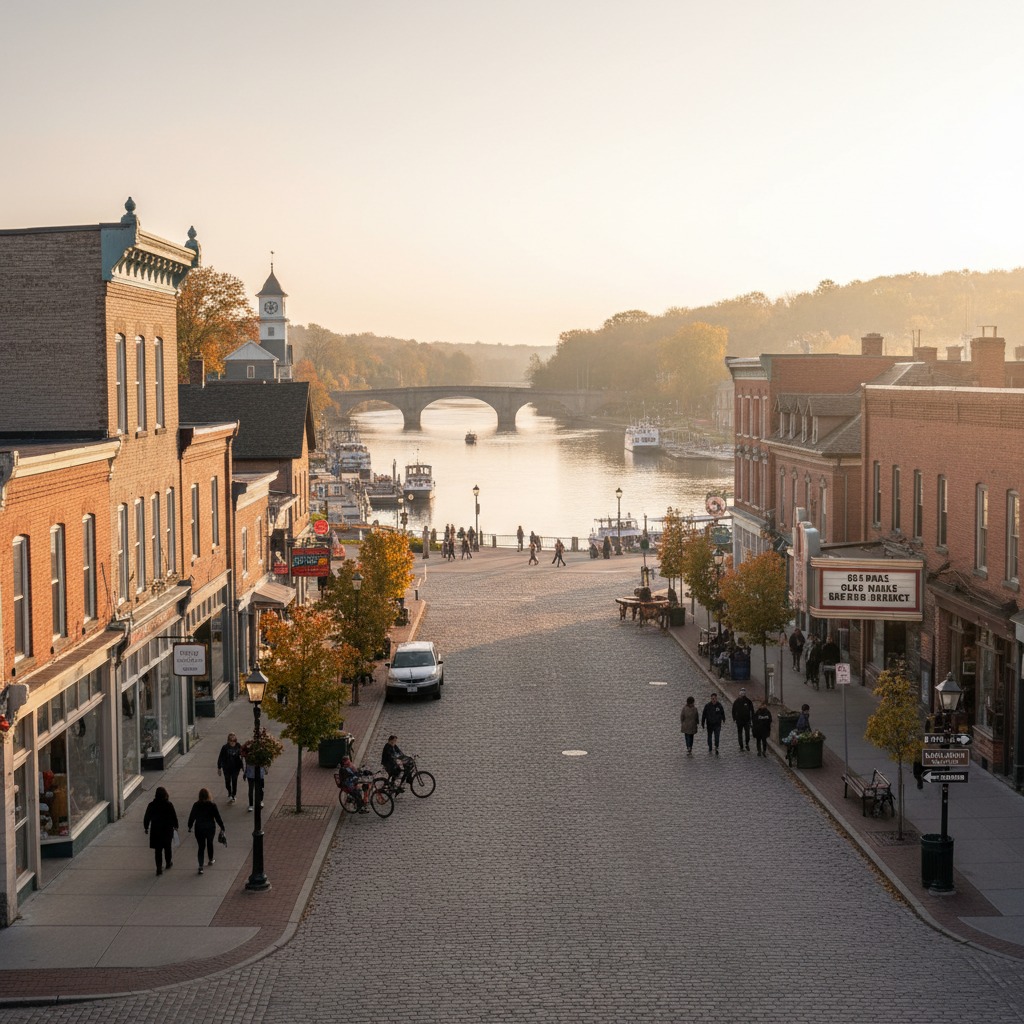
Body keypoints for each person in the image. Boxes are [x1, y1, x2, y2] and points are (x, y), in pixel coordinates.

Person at [187, 788, 225, 874]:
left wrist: (189, 826)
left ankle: (200, 866)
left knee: (201, 846)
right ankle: (211, 859)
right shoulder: (212, 805)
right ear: (208, 795)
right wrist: (222, 827)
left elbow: (192, 816)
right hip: (210, 827)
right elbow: (217, 817)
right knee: (210, 843)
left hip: (199, 828)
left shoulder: (196, 805)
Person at [143, 786, 178, 876]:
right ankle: (168, 863)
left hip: (156, 830)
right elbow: (174, 816)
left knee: (158, 850)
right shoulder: (169, 804)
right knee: (167, 847)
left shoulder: (152, 805)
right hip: (167, 830)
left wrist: (146, 827)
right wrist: (176, 826)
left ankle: (159, 868)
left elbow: (147, 817)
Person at [216, 732, 244, 804]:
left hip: (236, 767)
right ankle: (229, 792)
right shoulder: (225, 747)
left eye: (234, 740)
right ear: (228, 740)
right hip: (227, 767)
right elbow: (220, 757)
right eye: (231, 740)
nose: (232, 742)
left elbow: (242, 754)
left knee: (234, 781)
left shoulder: (238, 746)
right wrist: (219, 768)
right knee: (227, 782)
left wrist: (242, 764)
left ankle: (233, 795)